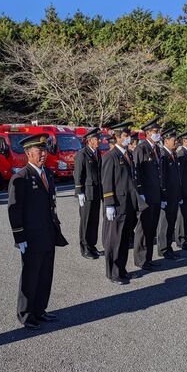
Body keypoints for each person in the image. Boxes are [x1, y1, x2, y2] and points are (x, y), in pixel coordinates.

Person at [8, 133, 68, 330]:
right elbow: (15, 210)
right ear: (28, 153)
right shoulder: (21, 177)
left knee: (45, 275)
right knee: (30, 276)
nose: (43, 154)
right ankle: (26, 314)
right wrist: (20, 236)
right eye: (39, 151)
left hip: (48, 233)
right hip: (32, 237)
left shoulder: (47, 174)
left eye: (44, 151)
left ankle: (40, 310)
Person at [101, 122, 139, 285]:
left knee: (124, 239)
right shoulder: (111, 156)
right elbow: (107, 181)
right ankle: (113, 272)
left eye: (128, 136)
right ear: (116, 137)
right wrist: (109, 203)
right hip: (116, 204)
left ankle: (122, 269)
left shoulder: (128, 154)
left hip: (128, 203)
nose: (127, 138)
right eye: (124, 136)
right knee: (115, 240)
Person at [132, 117, 163, 271]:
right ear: (148, 133)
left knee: (152, 228)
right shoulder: (141, 148)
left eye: (159, 131)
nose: (159, 134)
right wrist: (140, 193)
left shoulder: (156, 149)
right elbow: (136, 172)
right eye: (156, 132)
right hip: (146, 196)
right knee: (143, 229)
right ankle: (140, 260)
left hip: (155, 195)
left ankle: (148, 258)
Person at [73, 127, 103, 259]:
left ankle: (92, 245)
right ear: (90, 141)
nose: (99, 141)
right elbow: (78, 174)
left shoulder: (97, 153)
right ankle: (85, 248)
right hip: (87, 192)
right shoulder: (82, 154)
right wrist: (79, 191)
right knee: (86, 221)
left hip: (96, 192)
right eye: (97, 139)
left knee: (94, 220)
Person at [156, 128, 182, 259]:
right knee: (165, 222)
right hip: (167, 195)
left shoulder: (173, 154)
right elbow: (162, 177)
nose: (176, 142)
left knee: (171, 221)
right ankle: (163, 248)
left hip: (175, 194)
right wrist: (163, 195)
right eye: (173, 140)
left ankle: (168, 246)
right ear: (166, 141)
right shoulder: (163, 155)